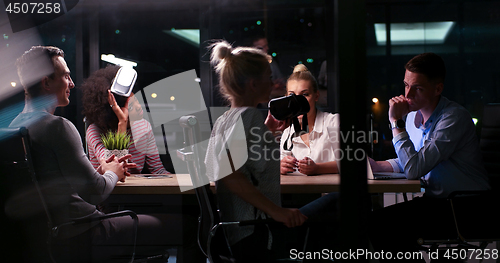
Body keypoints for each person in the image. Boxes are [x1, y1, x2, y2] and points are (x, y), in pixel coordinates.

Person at [9, 46, 204, 262]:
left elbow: (58, 179)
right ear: (46, 82)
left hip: (53, 235)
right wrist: (112, 172)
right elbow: (96, 191)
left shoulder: (16, 126)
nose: (72, 84)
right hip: (86, 231)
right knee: (189, 227)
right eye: (66, 76)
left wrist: (102, 171)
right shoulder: (58, 127)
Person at [368, 52, 490, 262]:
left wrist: (395, 122)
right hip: (439, 203)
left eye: (418, 88)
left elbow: (414, 168)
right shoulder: (413, 118)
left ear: (438, 89)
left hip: (468, 208)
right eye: (406, 85)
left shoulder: (453, 119)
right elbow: (411, 160)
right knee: (377, 223)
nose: (408, 94)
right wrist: (377, 165)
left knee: (382, 225)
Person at [81, 65, 170, 175]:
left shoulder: (144, 127)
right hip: (107, 189)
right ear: (115, 111)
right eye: (131, 106)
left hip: (134, 189)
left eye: (135, 99)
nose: (138, 107)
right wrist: (122, 122)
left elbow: (157, 170)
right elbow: (112, 168)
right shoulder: (94, 131)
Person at [280, 64, 340, 176]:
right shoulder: (288, 132)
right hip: (300, 191)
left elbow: (353, 162)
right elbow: (283, 166)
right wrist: (282, 166)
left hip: (332, 191)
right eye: (292, 95)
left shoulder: (333, 122)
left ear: (316, 96)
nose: (298, 102)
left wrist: (317, 168)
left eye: (305, 95)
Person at [251, 35, 286, 100]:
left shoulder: (271, 63)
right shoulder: (248, 67)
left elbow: (282, 81)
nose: (267, 48)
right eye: (262, 47)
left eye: (266, 45)